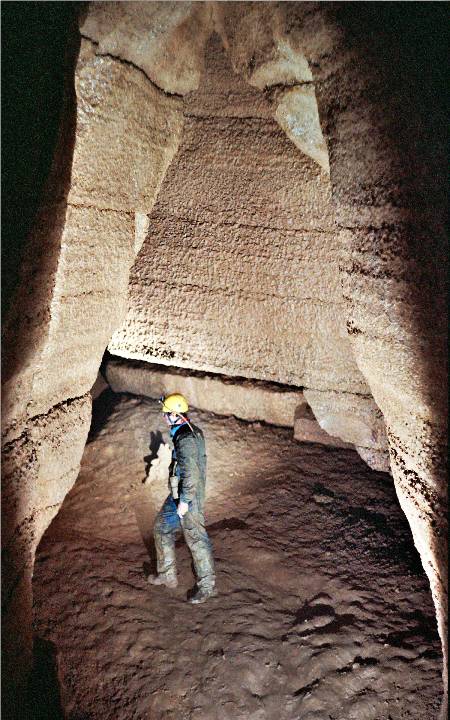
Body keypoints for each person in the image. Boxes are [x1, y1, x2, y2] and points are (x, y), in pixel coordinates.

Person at [147, 393, 217, 604]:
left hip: (189, 496)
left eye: (166, 414)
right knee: (161, 527)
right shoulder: (187, 432)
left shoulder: (186, 439)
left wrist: (185, 501)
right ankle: (167, 575)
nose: (164, 417)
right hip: (179, 493)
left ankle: (207, 586)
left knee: (196, 537)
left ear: (175, 415)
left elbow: (192, 473)